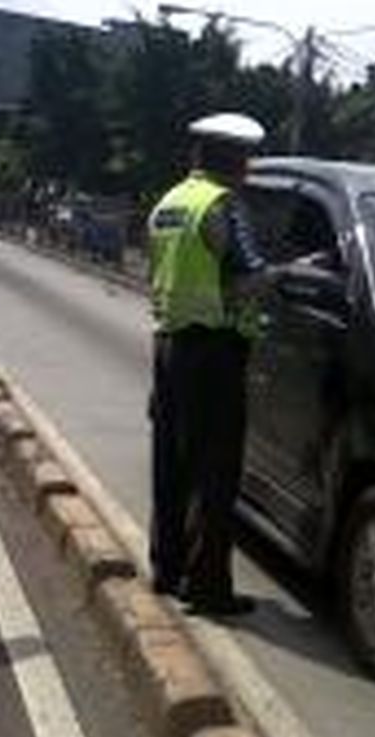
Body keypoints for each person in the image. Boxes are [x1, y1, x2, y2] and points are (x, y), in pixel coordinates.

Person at [148, 113, 268, 616]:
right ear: (237, 162)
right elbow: (248, 276)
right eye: (245, 160)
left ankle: (167, 569)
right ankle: (208, 587)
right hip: (215, 350)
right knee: (214, 473)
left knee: (170, 465)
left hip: (169, 344)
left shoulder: (170, 202)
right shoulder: (223, 205)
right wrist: (294, 272)